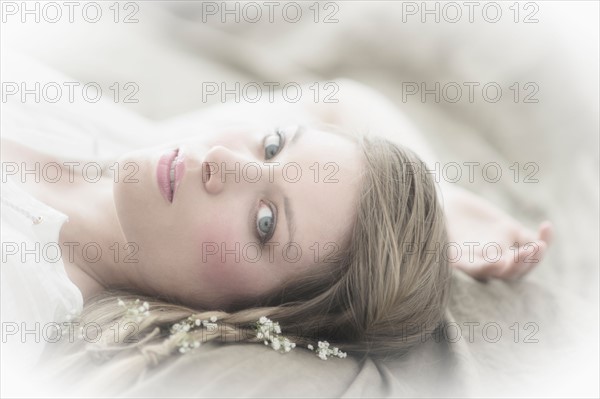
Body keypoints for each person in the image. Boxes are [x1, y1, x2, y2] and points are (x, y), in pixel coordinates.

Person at [0, 79, 553, 384]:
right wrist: (440, 205)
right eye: (272, 145)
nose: (220, 159)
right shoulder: (139, 151)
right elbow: (338, 102)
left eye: (265, 223)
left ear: (245, 312)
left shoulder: (20, 291)